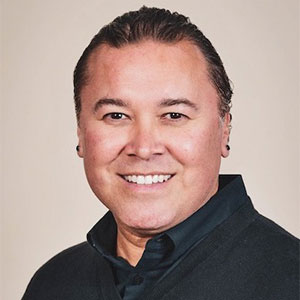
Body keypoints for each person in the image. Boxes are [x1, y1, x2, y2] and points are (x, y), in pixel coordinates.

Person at [22, 6, 299, 300]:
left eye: (174, 115)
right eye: (116, 116)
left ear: (224, 130)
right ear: (81, 133)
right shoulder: (52, 283)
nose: (143, 148)